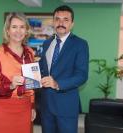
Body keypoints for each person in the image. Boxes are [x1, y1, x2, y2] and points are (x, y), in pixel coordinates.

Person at [39, 5, 89, 133]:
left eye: (65, 20)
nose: (61, 23)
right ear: (53, 22)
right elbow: (42, 68)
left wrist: (57, 83)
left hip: (66, 106)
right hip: (46, 105)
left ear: (72, 24)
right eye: (57, 19)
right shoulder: (46, 43)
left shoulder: (80, 44)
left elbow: (81, 75)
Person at [0, 12, 36, 133]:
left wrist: (32, 106)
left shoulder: (30, 53)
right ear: (7, 30)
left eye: (22, 27)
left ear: (26, 30)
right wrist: (11, 85)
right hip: (1, 111)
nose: (18, 31)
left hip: (24, 110)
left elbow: (31, 84)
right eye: (14, 27)